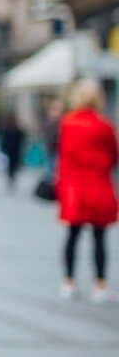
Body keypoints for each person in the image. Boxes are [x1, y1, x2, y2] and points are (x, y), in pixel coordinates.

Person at [55, 79, 118, 303]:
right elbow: (114, 155)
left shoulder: (67, 123)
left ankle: (68, 282)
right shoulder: (105, 126)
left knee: (72, 236)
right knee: (99, 238)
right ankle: (99, 285)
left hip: (74, 189)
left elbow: (62, 156)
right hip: (98, 187)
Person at [0, 109, 27, 193]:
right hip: (9, 150)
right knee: (10, 166)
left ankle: (12, 178)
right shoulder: (7, 129)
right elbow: (3, 139)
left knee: (13, 166)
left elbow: (22, 139)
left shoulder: (17, 130)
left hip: (15, 150)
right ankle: (10, 178)